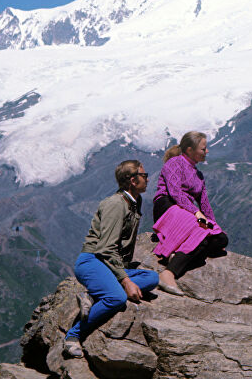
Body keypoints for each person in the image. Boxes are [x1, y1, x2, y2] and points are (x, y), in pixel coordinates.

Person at [63, 159, 159, 359]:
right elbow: (106, 248)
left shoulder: (134, 202)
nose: (147, 178)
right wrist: (125, 281)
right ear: (133, 180)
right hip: (92, 261)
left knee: (152, 279)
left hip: (106, 264)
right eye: (144, 175)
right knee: (117, 297)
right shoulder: (116, 205)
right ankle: (73, 335)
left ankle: (93, 297)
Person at [152, 130, 228, 293]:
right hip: (167, 205)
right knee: (200, 231)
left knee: (220, 239)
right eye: (203, 149)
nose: (206, 151)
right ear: (189, 150)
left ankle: (177, 254)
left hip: (186, 211)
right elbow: (175, 192)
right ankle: (168, 273)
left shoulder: (199, 175)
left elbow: (205, 204)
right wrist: (195, 212)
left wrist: (215, 226)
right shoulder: (174, 163)